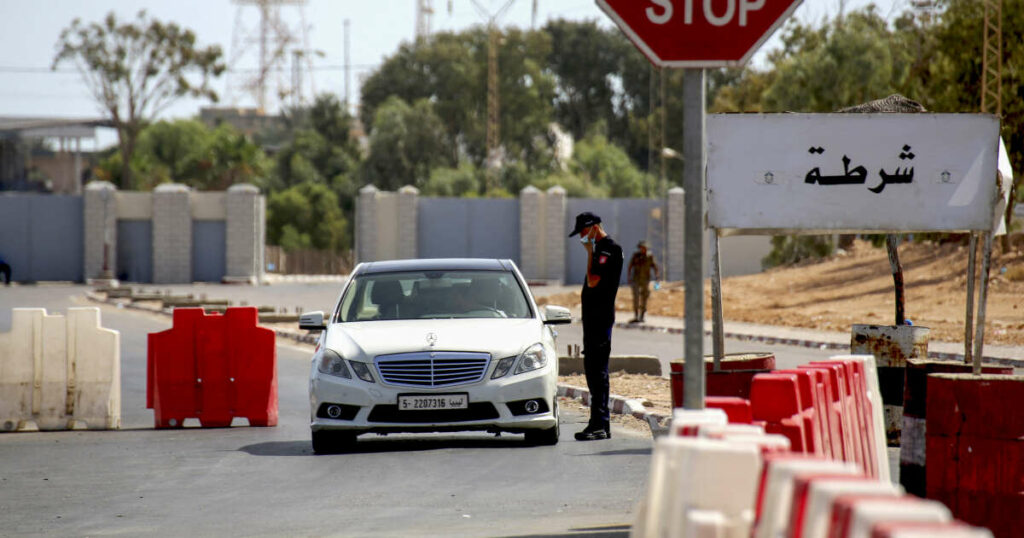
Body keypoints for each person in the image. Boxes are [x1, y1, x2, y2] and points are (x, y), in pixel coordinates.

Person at [567, 212, 623, 441]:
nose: (581, 236)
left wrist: (589, 253)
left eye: (583, 231)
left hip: (600, 318)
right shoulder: (600, 248)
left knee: (598, 372)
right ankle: (598, 423)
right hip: (593, 319)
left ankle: (599, 424)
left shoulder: (606, 248)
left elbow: (593, 280)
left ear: (594, 228)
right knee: (592, 370)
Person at [627, 241, 660, 323]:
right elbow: (630, 266)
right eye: (641, 247)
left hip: (645, 280)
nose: (642, 249)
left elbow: (655, 267)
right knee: (636, 297)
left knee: (644, 297)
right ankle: (636, 315)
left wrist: (657, 277)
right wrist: (629, 277)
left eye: (644, 248)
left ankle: (642, 315)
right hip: (636, 279)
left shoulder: (650, 256)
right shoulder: (636, 256)